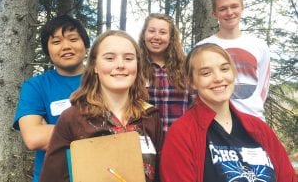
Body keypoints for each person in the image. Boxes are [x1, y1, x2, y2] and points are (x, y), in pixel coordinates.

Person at [39, 30, 163, 182]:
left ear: (137, 65)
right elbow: (52, 178)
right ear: (95, 66)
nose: (120, 65)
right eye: (110, 58)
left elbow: (160, 175)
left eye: (128, 58)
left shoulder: (150, 116)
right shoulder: (73, 118)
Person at [160, 43, 296, 182]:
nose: (218, 78)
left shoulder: (259, 128)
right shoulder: (182, 134)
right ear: (192, 82)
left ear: (233, 73)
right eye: (206, 73)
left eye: (224, 69)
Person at [13, 15, 90, 182]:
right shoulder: (35, 86)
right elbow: (34, 138)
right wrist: (99, 131)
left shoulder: (103, 79)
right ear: (48, 50)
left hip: (101, 175)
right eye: (56, 42)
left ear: (85, 44)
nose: (66, 46)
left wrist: (52, 130)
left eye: (73, 39)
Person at [196, 0, 270, 121]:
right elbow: (198, 86)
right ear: (214, 14)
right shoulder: (201, 48)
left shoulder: (259, 46)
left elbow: (263, 87)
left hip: (253, 119)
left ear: (242, 8)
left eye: (234, 6)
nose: (229, 12)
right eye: (223, 9)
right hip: (214, 122)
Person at [139, 13, 195, 132]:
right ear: (144, 35)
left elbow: (194, 104)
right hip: (146, 139)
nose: (156, 36)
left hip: (179, 137)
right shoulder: (134, 66)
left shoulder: (185, 67)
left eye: (163, 32)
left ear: (171, 39)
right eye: (152, 31)